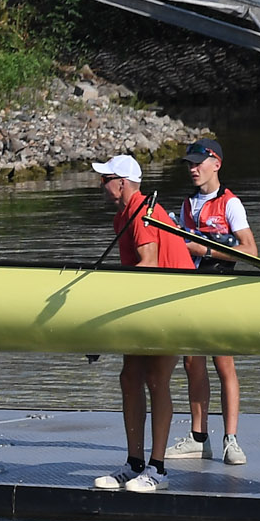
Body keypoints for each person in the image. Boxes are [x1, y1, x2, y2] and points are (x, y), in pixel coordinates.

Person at [91, 154, 193, 494]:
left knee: (156, 378)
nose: (101, 185)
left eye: (106, 179)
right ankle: (134, 463)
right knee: (129, 376)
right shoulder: (124, 215)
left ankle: (158, 468)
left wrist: (105, 293)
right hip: (145, 304)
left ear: (122, 183)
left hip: (172, 302)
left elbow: (148, 264)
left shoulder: (143, 212)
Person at [164, 138, 255, 467]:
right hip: (192, 288)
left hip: (221, 287)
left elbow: (249, 250)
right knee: (192, 363)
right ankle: (199, 438)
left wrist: (204, 250)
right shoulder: (187, 205)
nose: (192, 168)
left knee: (223, 363)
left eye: (198, 163)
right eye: (189, 163)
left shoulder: (231, 203)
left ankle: (231, 439)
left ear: (216, 164)